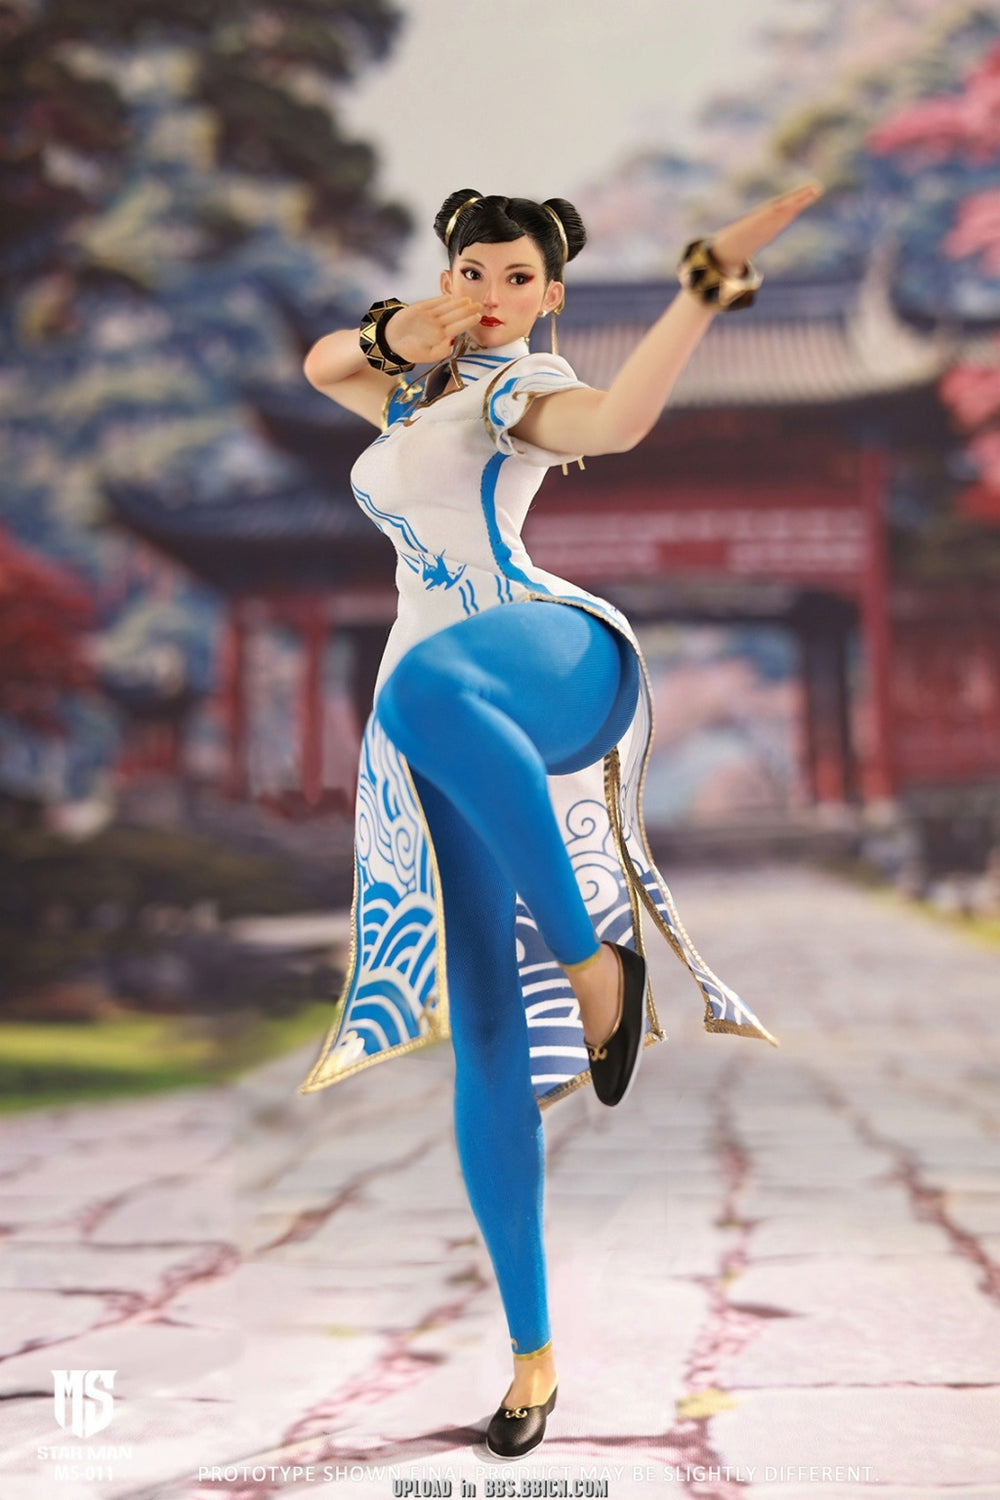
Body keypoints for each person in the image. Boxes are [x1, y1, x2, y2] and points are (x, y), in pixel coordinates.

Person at [299, 182, 821, 1458]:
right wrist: (395, 337)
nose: (492, 296)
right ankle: (531, 1360)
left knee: (423, 684)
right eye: (472, 272)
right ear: (446, 278)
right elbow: (321, 367)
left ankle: (596, 966)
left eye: (517, 278)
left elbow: (621, 420)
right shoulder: (414, 395)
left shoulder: (517, 390)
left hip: (541, 659)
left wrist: (699, 294)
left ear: (551, 297)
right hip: (442, 723)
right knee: (482, 1036)